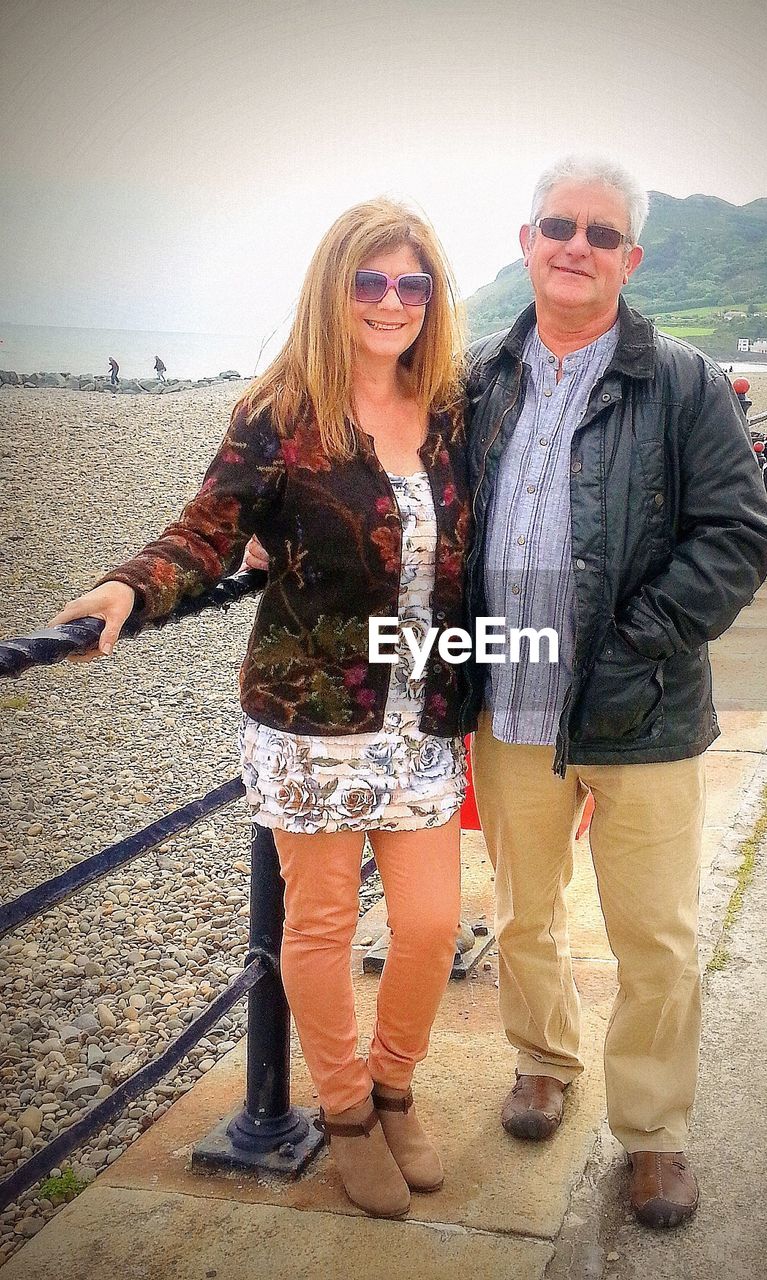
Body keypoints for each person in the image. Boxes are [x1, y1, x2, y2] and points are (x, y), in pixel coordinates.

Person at [50, 198, 471, 1220]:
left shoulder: (451, 408)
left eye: (410, 282)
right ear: (334, 288)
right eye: (369, 281)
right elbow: (207, 528)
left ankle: (395, 1082)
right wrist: (128, 586)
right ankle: (347, 1114)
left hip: (424, 714)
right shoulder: (283, 411)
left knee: (426, 923)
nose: (390, 301)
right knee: (321, 925)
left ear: (432, 297)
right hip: (310, 719)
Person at [463, 156, 767, 1228]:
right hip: (511, 701)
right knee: (521, 911)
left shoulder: (680, 381)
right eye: (559, 224)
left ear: (630, 257)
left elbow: (737, 534)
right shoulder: (475, 378)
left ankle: (652, 1133)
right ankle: (542, 1060)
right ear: (526, 238)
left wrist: (634, 644)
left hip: (641, 710)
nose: (576, 246)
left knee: (657, 938)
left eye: (601, 233)